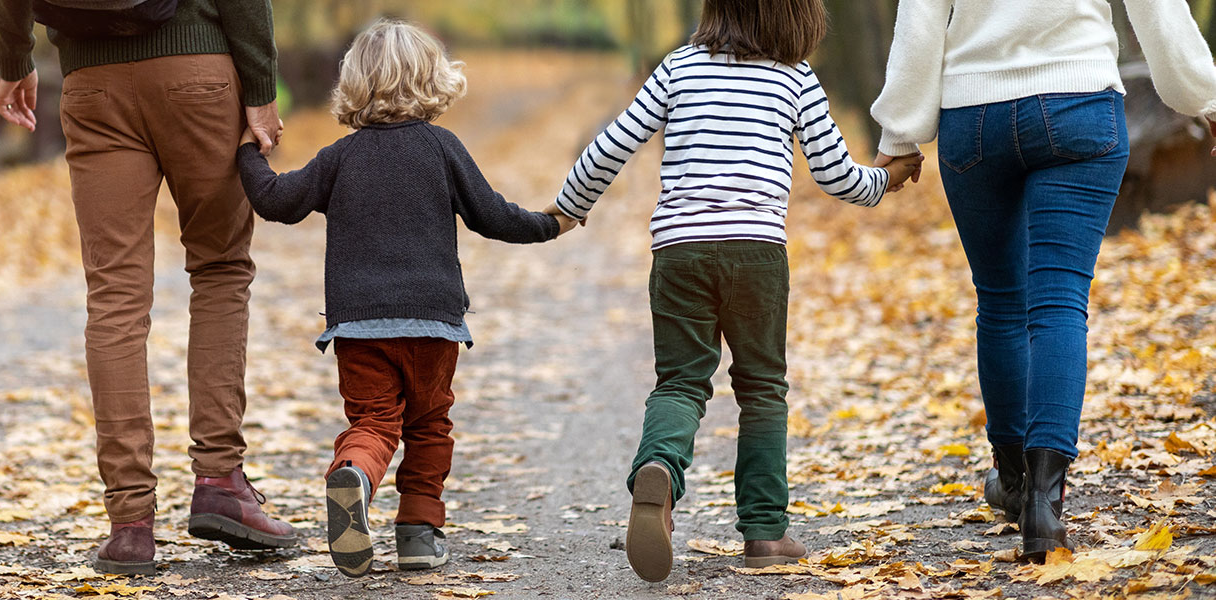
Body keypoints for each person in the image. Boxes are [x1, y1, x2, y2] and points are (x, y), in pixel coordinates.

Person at [548, 0, 924, 583]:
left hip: (679, 252)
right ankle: (765, 533)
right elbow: (838, 177)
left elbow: (612, 144)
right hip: (757, 253)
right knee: (762, 388)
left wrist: (568, 209)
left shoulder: (679, 67)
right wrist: (889, 179)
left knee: (679, 381)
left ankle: (658, 472)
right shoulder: (795, 78)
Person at [872, 0, 1216, 563]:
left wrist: (901, 133)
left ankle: (1011, 480)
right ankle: (1044, 503)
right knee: (1059, 304)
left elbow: (921, 15)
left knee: (1002, 304)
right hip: (1079, 102)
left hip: (974, 116)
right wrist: (1203, 94)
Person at [235, 19, 577, 578]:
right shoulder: (442, 147)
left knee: (373, 421)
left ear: (354, 85)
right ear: (432, 82)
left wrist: (250, 151)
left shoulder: (339, 157)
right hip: (432, 324)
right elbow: (492, 215)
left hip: (359, 327)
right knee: (429, 425)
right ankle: (419, 533)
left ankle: (355, 473)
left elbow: (276, 201)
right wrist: (550, 224)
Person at [0, 0, 297, 575]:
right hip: (200, 75)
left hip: (92, 83)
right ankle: (220, 481)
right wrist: (260, 88)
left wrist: (14, 60)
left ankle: (130, 523)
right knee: (220, 268)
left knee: (113, 296)